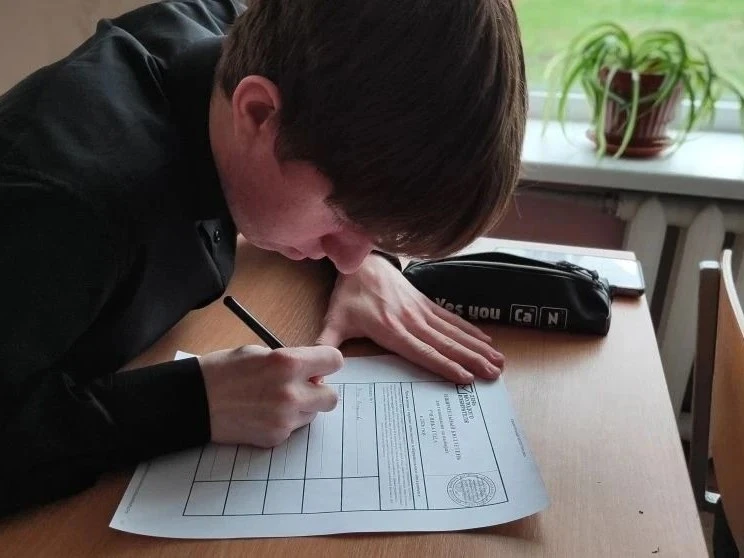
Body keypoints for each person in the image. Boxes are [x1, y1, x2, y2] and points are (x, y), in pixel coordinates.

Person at [0, 0, 526, 515]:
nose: (348, 260)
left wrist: (373, 262)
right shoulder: (65, 210)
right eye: (344, 218)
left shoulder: (252, 43)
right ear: (257, 113)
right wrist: (194, 404)